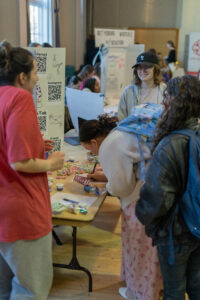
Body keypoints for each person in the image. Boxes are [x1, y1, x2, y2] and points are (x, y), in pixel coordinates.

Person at [0, 40, 65, 299]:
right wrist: (52, 163)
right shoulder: (20, 98)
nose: (38, 79)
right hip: (21, 209)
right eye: (35, 72)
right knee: (31, 289)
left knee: (4, 288)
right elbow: (19, 162)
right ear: (22, 76)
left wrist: (36, 144)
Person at [79, 109, 163, 300]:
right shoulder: (119, 133)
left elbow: (121, 188)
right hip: (153, 194)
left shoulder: (108, 146)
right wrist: (106, 176)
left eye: (89, 149)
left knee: (140, 250)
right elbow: (130, 165)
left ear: (94, 142)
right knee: (149, 251)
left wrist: (107, 185)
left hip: (140, 200)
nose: (91, 154)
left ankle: (141, 293)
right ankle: (152, 288)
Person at [136, 75, 200, 300]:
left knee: (173, 291)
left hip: (175, 232)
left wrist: (144, 216)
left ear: (174, 101)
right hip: (198, 226)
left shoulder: (169, 145)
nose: (163, 101)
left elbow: (158, 198)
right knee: (196, 286)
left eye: (167, 96)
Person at [118, 51, 166, 121]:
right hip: (131, 131)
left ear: (155, 69)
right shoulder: (128, 91)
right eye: (139, 67)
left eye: (146, 67)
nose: (142, 71)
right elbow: (121, 118)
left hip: (158, 131)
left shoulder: (164, 90)